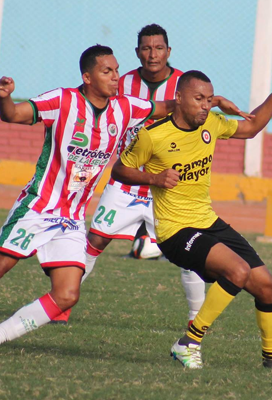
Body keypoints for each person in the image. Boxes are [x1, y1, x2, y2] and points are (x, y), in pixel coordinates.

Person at [0, 44, 245, 357]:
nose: (116, 77)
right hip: (38, 206)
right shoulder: (63, 101)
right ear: (87, 77)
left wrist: (213, 102)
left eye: (116, 70)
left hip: (71, 218)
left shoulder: (126, 108)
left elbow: (174, 105)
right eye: (107, 72)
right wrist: (5, 98)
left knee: (67, 295)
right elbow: (13, 115)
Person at [111, 65, 272, 371]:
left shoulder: (211, 122)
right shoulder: (153, 136)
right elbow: (119, 169)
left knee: (268, 287)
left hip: (208, 222)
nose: (206, 105)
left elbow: (251, 128)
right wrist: (154, 178)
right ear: (179, 97)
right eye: (199, 98)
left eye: (209, 99)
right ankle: (188, 344)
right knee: (237, 270)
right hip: (175, 231)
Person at [51, 24, 208, 327]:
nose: (152, 55)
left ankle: (196, 322)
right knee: (95, 239)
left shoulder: (184, 85)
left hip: (169, 187)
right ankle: (60, 305)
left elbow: (203, 117)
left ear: (168, 51)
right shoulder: (119, 83)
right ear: (137, 53)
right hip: (127, 181)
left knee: (191, 250)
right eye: (146, 49)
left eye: (158, 48)